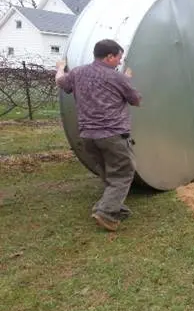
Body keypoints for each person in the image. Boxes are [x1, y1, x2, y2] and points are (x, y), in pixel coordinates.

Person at [55, 39, 142, 232]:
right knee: (123, 172)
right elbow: (136, 100)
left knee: (107, 171)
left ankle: (109, 206)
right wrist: (127, 80)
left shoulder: (78, 72)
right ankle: (106, 212)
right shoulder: (117, 77)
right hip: (113, 135)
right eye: (118, 58)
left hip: (87, 135)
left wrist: (60, 67)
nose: (120, 62)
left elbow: (61, 81)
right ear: (109, 56)